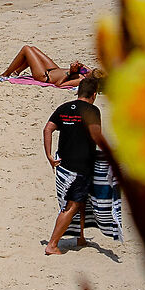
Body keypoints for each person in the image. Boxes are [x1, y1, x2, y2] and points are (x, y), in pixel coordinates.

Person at [44, 78, 106, 256]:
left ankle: (81, 237)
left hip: (63, 164)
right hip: (80, 167)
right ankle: (52, 245)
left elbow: (47, 129)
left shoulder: (64, 108)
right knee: (72, 205)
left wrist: (49, 156)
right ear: (94, 94)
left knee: (82, 202)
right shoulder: (92, 111)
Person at [0, 45, 92, 86]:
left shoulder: (81, 80)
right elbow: (83, 67)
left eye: (89, 73)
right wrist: (77, 65)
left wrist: (70, 72)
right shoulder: (87, 72)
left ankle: (5, 74)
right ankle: (16, 72)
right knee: (33, 49)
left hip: (45, 77)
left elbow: (59, 84)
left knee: (26, 49)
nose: (87, 71)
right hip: (54, 69)